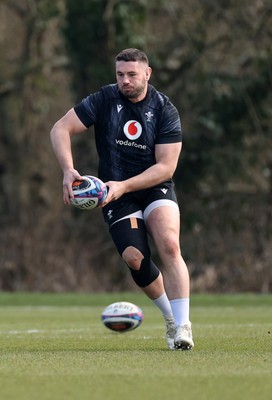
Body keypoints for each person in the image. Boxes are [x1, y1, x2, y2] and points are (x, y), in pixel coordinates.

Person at [50, 48, 194, 350]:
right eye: (120, 75)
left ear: (147, 74)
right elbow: (60, 128)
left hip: (154, 186)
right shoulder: (104, 99)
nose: (125, 81)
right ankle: (170, 319)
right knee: (134, 258)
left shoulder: (165, 109)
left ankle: (183, 326)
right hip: (114, 193)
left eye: (131, 75)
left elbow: (166, 167)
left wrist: (124, 185)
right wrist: (67, 170)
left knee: (168, 243)